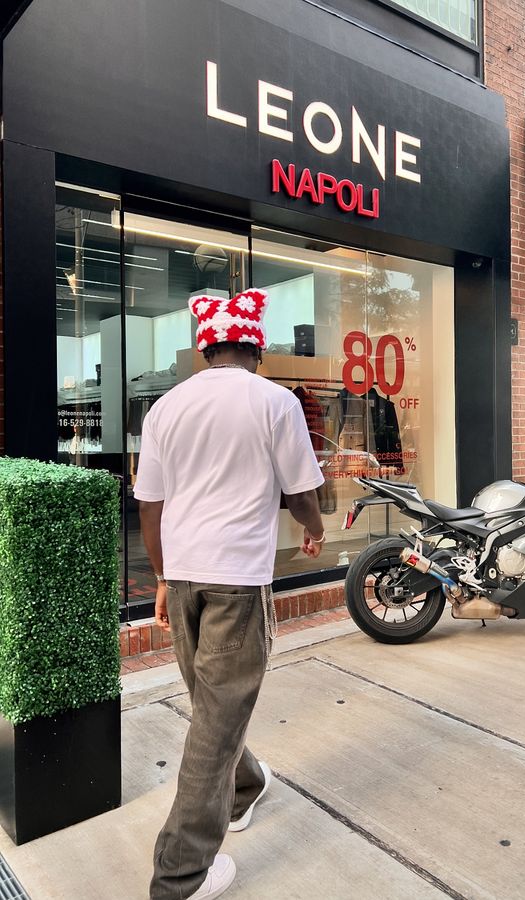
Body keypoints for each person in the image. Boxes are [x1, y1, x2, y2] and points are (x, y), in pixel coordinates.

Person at [134, 288, 326, 900]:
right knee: (216, 715)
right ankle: (180, 876)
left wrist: (162, 578)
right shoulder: (276, 402)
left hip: (185, 574)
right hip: (237, 580)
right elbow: (300, 492)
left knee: (213, 705)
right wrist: (315, 529)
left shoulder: (166, 406)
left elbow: (150, 505)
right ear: (257, 347)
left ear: (203, 347)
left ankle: (244, 786)